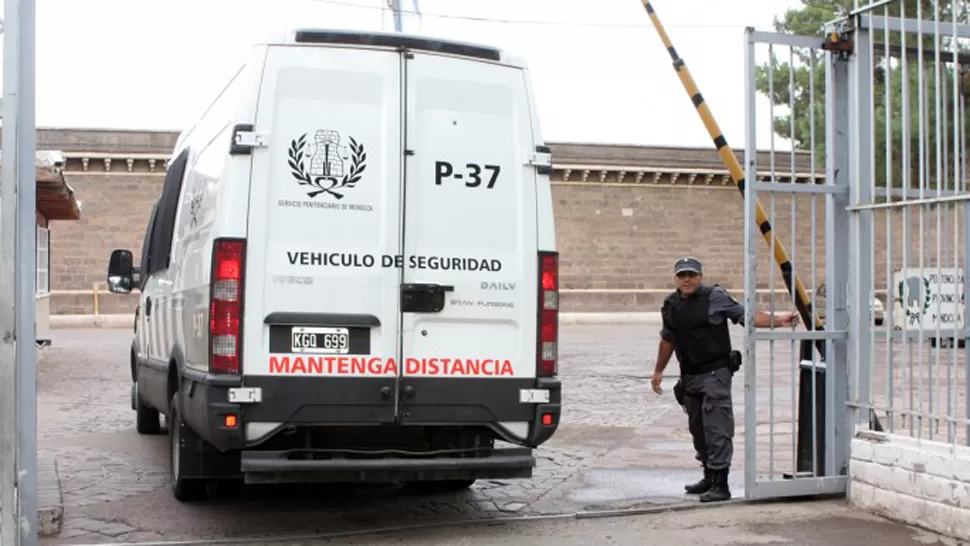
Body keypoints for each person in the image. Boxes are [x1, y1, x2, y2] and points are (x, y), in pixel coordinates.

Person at [650, 256, 798, 503]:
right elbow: (667, 339)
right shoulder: (671, 303)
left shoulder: (715, 297)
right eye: (682, 275)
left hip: (714, 375)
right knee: (698, 430)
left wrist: (780, 319)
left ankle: (721, 484)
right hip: (690, 377)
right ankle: (709, 476)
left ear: (700, 276)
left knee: (717, 429)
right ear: (676, 277)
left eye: (692, 275)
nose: (687, 279)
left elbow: (747, 316)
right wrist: (658, 371)